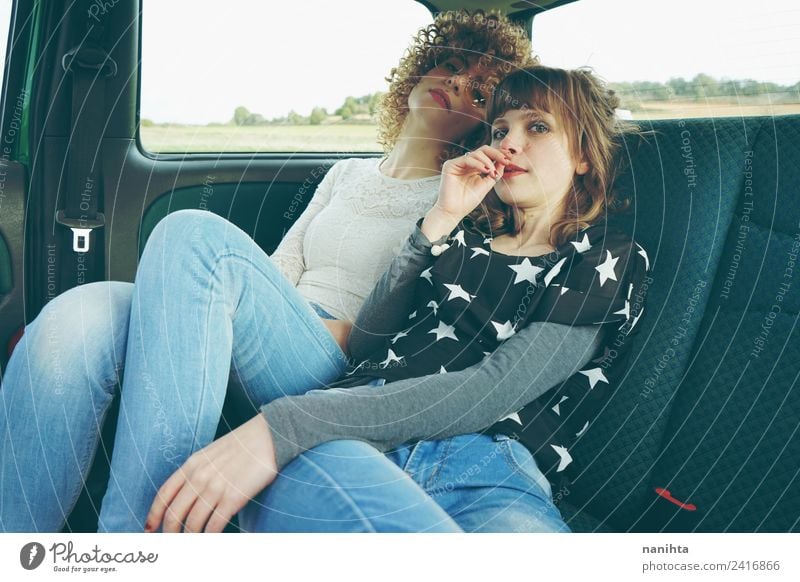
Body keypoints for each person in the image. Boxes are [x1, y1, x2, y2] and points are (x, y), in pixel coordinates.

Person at [0, 10, 538, 532]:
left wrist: (231, 319)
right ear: (420, 69)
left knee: (194, 234)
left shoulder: (464, 196)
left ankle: (140, 544)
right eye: (450, 66)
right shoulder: (344, 175)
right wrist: (221, 317)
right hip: (270, 323)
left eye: (479, 92)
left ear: (485, 128)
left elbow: (415, 331)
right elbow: (279, 271)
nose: (458, 84)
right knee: (78, 314)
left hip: (337, 357)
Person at [145, 65, 651, 534]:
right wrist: (437, 221)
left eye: (536, 128)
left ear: (585, 155)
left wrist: (293, 422)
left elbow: (495, 388)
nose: (510, 143)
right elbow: (368, 344)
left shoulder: (603, 253)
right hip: (354, 444)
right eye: (500, 130)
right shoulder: (464, 239)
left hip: (488, 470)